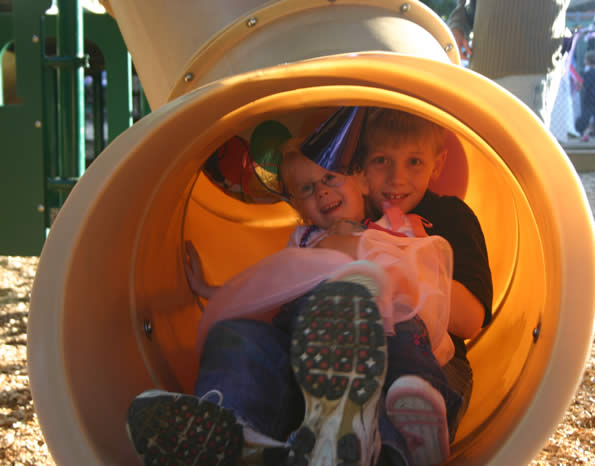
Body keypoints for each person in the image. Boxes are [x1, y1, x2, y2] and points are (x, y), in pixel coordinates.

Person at [126, 109, 463, 466]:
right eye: (307, 189)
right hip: (305, 343)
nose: (321, 191)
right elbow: (268, 286)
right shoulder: (302, 239)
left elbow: (424, 274)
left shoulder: (392, 225)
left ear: (363, 182)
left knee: (402, 338)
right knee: (235, 332)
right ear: (299, 208)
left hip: (373, 333)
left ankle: (404, 435)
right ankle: (231, 428)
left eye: (330, 177)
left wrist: (370, 251)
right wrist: (210, 289)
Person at [350, 108, 493, 445]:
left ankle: (402, 447)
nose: (396, 178)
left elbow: (470, 321)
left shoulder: (450, 216)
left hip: (436, 361)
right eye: (381, 160)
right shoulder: (349, 215)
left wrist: (412, 255)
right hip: (357, 354)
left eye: (414, 161)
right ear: (359, 166)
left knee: (409, 413)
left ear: (437, 164)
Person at [575, 50, 595, 139]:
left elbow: (585, 85)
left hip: (590, 99)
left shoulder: (588, 73)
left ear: (588, 61)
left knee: (585, 116)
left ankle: (578, 129)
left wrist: (579, 84)